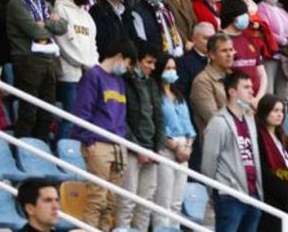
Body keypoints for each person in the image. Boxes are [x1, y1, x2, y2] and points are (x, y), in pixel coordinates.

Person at [72, 39, 134, 231]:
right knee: (96, 200)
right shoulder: (93, 76)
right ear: (120, 57)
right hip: (98, 144)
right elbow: (83, 111)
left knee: (110, 203)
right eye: (128, 63)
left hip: (117, 145)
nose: (127, 68)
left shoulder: (119, 82)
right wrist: (89, 141)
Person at [9, 0, 69, 140]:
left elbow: (63, 26)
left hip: (49, 61)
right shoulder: (17, 3)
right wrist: (51, 23)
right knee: (29, 112)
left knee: (46, 113)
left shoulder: (43, 3)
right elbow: (35, 32)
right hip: (28, 60)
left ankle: (40, 152)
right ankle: (22, 152)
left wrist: (47, 22)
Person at [202, 71, 264, 232]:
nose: (252, 91)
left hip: (252, 193)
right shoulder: (218, 122)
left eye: (251, 87)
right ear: (232, 91)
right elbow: (208, 163)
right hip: (229, 195)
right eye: (246, 87)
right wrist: (217, 192)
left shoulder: (250, 120)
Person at [119, 49, 164, 230]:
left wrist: (157, 148)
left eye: (153, 63)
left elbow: (159, 117)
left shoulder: (152, 84)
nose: (152, 67)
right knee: (127, 202)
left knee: (145, 204)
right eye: (148, 62)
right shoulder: (123, 82)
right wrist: (137, 149)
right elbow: (121, 119)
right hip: (132, 150)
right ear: (136, 62)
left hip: (151, 151)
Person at [155, 55, 198, 230]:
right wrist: (175, 146)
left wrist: (188, 146)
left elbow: (188, 124)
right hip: (167, 147)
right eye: (168, 68)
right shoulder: (156, 95)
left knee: (177, 202)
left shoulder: (178, 95)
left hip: (184, 148)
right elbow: (158, 125)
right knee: (163, 200)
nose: (172, 72)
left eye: (174, 68)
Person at [255, 94, 288, 232]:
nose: (280, 115)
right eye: (275, 111)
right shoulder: (258, 138)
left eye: (282, 111)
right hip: (274, 201)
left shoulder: (284, 139)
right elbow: (265, 171)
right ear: (264, 112)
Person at [191, 33, 235, 139]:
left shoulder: (233, 77)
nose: (229, 54)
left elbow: (248, 107)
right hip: (218, 145)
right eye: (224, 51)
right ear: (211, 55)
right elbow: (214, 118)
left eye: (231, 49)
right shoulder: (202, 81)